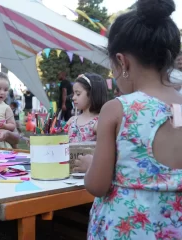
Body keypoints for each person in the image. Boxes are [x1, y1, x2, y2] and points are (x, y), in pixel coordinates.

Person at [84, 0, 182, 238]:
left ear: (122, 61)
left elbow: (98, 185)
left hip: (126, 229)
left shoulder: (117, 109)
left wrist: (90, 166)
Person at [65, 73, 108, 143]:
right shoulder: (71, 121)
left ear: (92, 94)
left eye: (78, 94)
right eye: (73, 94)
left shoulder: (99, 123)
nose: (73, 98)